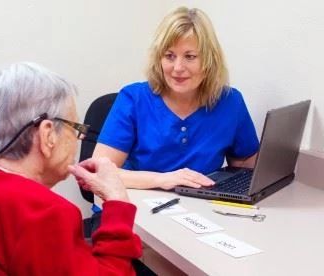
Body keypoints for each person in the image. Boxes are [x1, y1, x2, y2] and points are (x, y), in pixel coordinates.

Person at [0, 62, 142, 275]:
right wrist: (117, 201)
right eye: (75, 128)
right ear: (48, 134)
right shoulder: (44, 214)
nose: (81, 137)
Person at [93, 7, 259, 190]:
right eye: (169, 56)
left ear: (210, 60)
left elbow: (245, 165)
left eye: (190, 56)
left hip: (198, 210)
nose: (178, 67)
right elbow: (101, 172)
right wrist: (163, 180)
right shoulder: (133, 99)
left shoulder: (230, 102)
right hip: (135, 208)